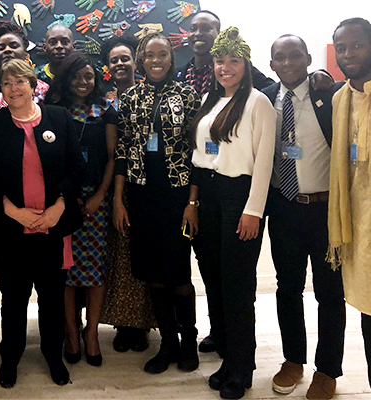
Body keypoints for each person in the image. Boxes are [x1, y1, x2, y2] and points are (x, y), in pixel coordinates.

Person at [0, 59, 84, 388]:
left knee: (52, 298)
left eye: (20, 81)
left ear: (34, 84)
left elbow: (76, 169)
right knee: (15, 299)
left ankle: (53, 354)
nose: (14, 88)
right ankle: (11, 356)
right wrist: (12, 211)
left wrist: (59, 207)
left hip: (52, 228)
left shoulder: (59, 118)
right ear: (1, 90)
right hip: (12, 230)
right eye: (7, 83)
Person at [190, 27, 276, 399]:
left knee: (238, 285)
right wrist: (193, 202)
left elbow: (265, 162)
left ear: (246, 64)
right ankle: (228, 355)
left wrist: (253, 209)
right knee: (215, 278)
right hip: (208, 194)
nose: (225, 67)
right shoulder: (212, 101)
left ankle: (241, 368)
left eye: (233, 61)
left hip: (239, 197)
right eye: (219, 61)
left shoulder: (258, 102)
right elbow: (202, 156)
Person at [263, 35, 346, 400]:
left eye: (295, 54)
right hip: (284, 208)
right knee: (288, 288)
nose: (288, 62)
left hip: (325, 210)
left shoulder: (330, 95)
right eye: (279, 57)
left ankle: (327, 370)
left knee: (330, 294)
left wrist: (325, 75)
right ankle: (293, 360)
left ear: (309, 58)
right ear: (271, 64)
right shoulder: (265, 99)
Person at [115, 32, 201, 376]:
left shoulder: (189, 96)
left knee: (178, 272)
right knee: (153, 273)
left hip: (177, 196)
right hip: (141, 196)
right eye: (149, 54)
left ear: (171, 57)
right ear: (140, 58)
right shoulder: (130, 98)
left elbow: (198, 154)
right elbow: (122, 151)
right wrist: (120, 202)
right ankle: (168, 343)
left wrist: (193, 201)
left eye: (162, 54)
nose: (155, 60)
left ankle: (189, 342)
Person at [45, 53, 117, 367]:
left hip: (97, 199)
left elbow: (114, 156)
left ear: (96, 79)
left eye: (88, 76)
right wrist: (68, 195)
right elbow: (53, 158)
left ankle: (92, 335)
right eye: (76, 76)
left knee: (95, 271)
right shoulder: (56, 111)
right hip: (65, 199)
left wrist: (101, 194)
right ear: (67, 79)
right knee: (67, 271)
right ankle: (71, 334)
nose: (83, 82)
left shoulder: (107, 111)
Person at [98, 36, 157, 353]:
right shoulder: (108, 105)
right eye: (114, 60)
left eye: (125, 58)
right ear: (108, 67)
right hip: (120, 189)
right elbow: (113, 153)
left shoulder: (154, 97)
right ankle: (124, 324)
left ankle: (145, 324)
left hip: (152, 189)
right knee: (121, 258)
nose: (120, 64)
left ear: (136, 62)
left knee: (147, 254)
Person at [328, 17, 371, 391]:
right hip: (359, 230)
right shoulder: (341, 98)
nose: (348, 54)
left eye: (356, 45)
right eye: (341, 47)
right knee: (369, 316)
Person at [0, 20, 49, 109]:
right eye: (1, 48)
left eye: (14, 46)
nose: (7, 50)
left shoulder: (43, 90)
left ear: (25, 52)